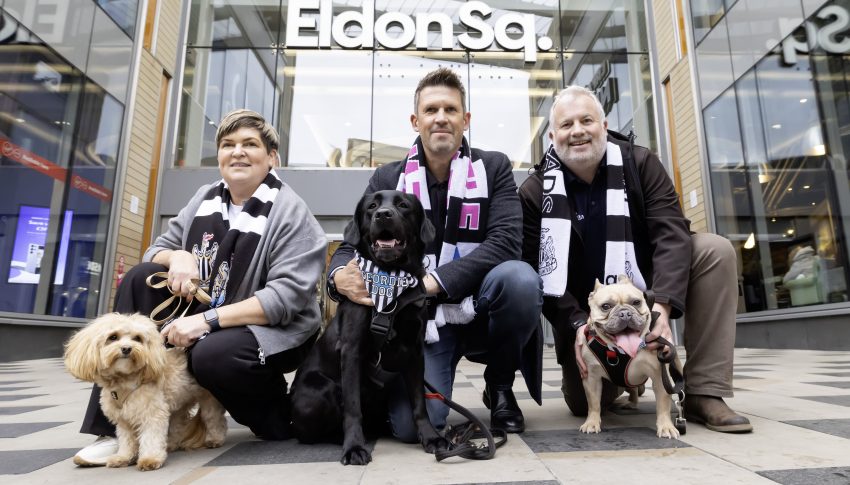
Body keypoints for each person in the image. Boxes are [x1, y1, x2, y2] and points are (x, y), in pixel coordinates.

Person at [73, 109, 328, 465]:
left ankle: (271, 410)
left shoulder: (291, 213)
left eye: (249, 144)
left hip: (272, 330)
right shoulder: (206, 198)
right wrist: (178, 256)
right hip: (203, 314)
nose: (237, 152)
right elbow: (154, 250)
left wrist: (206, 321)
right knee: (140, 275)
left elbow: (283, 299)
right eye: (228, 144)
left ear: (272, 158)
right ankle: (112, 428)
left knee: (212, 356)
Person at [518, 86, 753, 433]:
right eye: (566, 125)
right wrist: (577, 325)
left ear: (604, 124)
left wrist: (662, 309)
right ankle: (629, 378)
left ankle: (705, 390)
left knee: (713, 250)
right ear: (552, 136)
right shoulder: (535, 192)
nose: (578, 130)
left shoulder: (640, 163)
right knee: (582, 404)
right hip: (588, 315)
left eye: (587, 120)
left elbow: (672, 233)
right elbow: (541, 274)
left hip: (645, 291)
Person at [327, 67, 543, 438]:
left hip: (480, 310)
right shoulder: (387, 179)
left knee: (520, 280)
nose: (441, 117)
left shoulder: (494, 167)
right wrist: (338, 277)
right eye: (431, 110)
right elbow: (351, 243)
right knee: (412, 428)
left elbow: (507, 242)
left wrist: (432, 283)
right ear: (416, 120)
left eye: (450, 109)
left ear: (465, 119)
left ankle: (501, 386)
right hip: (421, 325)